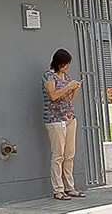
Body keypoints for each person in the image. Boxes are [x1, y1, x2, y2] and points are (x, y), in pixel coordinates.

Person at [41, 48, 86, 201]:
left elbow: (68, 98)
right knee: (58, 155)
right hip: (55, 119)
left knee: (69, 154)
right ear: (58, 63)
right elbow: (53, 96)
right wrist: (67, 87)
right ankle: (58, 189)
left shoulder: (66, 76)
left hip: (69, 117)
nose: (67, 66)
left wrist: (74, 88)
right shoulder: (48, 76)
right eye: (64, 63)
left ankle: (69, 187)